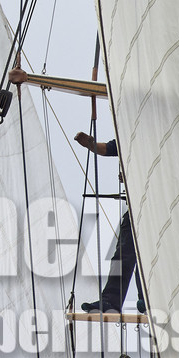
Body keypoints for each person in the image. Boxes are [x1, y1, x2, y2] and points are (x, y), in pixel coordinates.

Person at [74, 132, 143, 315]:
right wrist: (91, 144)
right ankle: (110, 301)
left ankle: (148, 297)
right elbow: (106, 148)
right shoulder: (130, 136)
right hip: (136, 209)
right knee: (123, 256)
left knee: (147, 255)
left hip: (159, 202)